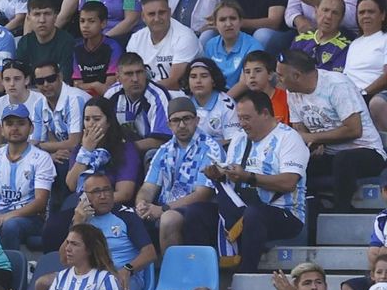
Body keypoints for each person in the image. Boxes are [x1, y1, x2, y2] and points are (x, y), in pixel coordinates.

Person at [208, 91, 310, 271]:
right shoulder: (239, 138)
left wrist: (249, 177)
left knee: (253, 216)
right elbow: (233, 176)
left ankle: (242, 281)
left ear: (265, 114)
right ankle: (203, 285)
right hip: (243, 207)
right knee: (197, 214)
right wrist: (219, 174)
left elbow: (289, 183)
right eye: (239, 118)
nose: (242, 124)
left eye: (247, 118)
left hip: (284, 213)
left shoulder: (289, 138)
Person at [279, 49, 385, 213]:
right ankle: (306, 209)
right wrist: (313, 145)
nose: (278, 80)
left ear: (296, 76)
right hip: (329, 153)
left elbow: (354, 130)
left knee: (343, 160)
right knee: (293, 163)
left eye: (281, 75)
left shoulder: (336, 85)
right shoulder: (292, 92)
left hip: (367, 151)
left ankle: (341, 213)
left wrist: (315, 138)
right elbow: (300, 131)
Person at [135, 97, 223, 252]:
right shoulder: (163, 150)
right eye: (176, 120)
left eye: (187, 119)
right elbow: (148, 187)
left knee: (169, 219)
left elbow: (202, 194)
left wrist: (163, 209)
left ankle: (173, 274)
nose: (182, 125)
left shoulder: (210, 148)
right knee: (130, 218)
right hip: (167, 207)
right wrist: (142, 204)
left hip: (202, 210)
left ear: (197, 120)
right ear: (169, 125)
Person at [0, 104, 54, 251]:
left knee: (10, 225)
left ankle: (8, 270)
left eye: (21, 123)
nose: (15, 128)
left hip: (31, 218)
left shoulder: (42, 158)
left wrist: (8, 216)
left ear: (31, 128)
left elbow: (40, 202)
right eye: (9, 124)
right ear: (2, 130)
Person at [128, 0, 201, 92]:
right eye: (151, 14)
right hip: (147, 94)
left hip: (180, 96)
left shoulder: (185, 37)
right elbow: (130, 74)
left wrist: (139, 88)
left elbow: (175, 82)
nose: (157, 18)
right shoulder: (136, 39)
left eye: (161, 12)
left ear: (170, 12)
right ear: (143, 17)